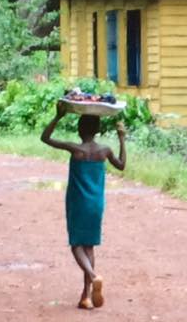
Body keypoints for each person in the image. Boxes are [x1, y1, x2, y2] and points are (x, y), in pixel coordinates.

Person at [40, 102, 126, 310]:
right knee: (89, 245)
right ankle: (85, 296)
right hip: (96, 202)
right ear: (97, 130)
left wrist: (58, 116)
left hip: (78, 201)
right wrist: (122, 138)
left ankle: (93, 276)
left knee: (76, 244)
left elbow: (45, 138)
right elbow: (122, 165)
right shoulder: (104, 151)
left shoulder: (75, 149)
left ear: (80, 130)